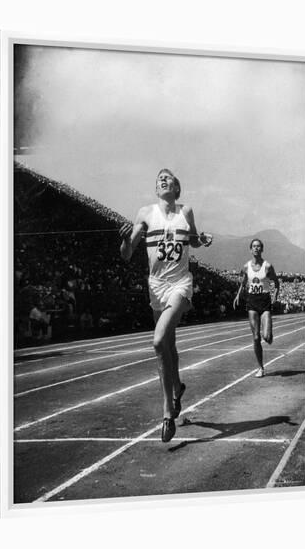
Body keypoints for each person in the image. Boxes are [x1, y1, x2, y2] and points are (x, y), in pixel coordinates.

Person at [119, 168, 212, 442]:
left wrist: (202, 240)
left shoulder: (187, 211)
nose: (162, 180)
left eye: (167, 178)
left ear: (177, 188)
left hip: (181, 284)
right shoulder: (145, 213)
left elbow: (193, 240)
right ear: (156, 189)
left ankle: (167, 411)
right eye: (158, 179)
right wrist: (125, 239)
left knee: (159, 341)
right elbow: (126, 254)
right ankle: (177, 388)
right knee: (169, 346)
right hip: (156, 286)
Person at [233, 238, 280, 377]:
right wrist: (237, 296)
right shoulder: (246, 266)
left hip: (264, 302)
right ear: (250, 249)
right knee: (255, 337)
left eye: (259, 246)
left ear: (262, 249)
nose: (256, 248)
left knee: (266, 337)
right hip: (252, 301)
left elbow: (276, 283)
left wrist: (275, 296)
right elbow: (243, 282)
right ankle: (260, 367)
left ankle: (269, 334)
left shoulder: (267, 266)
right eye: (254, 246)